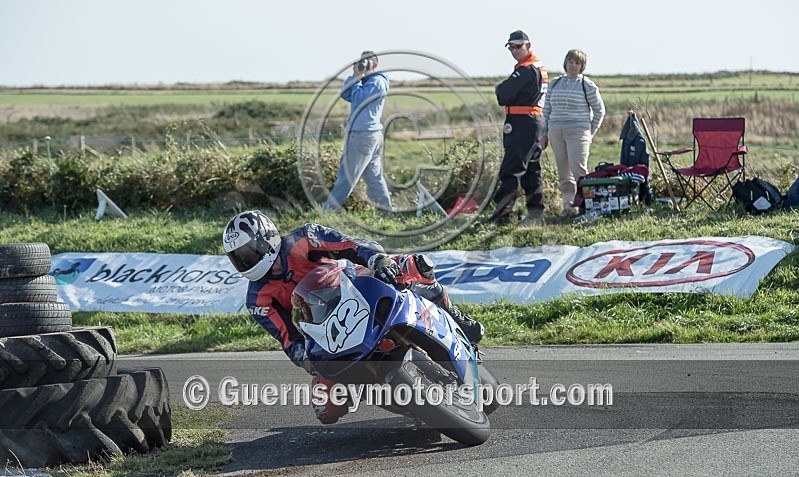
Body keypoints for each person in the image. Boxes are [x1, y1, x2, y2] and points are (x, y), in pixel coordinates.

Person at [222, 210, 484, 423]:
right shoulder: (256, 299)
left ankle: (459, 320)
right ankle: (409, 403)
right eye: (237, 257)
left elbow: (350, 245)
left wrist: (377, 259)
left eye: (247, 252)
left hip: (358, 289)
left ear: (266, 238)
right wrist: (309, 362)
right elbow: (287, 339)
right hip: (328, 332)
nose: (245, 261)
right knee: (326, 409)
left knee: (415, 266)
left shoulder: (303, 239)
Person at [489, 30, 548, 226]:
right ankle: (535, 213)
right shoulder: (536, 67)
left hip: (522, 122)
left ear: (528, 46)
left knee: (511, 170)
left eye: (518, 46)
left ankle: (502, 216)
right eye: (511, 47)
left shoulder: (526, 70)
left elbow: (502, 94)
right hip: (534, 121)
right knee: (532, 170)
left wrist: (502, 88)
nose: (514, 50)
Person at [322, 51, 392, 212]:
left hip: (363, 135)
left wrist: (358, 78)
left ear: (374, 64)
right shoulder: (366, 81)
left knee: (347, 175)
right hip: (368, 134)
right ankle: (386, 210)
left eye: (366, 62)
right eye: (361, 62)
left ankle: (328, 211)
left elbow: (359, 99)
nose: (362, 65)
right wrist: (355, 77)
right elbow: (346, 94)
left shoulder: (376, 82)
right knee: (374, 177)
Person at [541, 49, 606, 216]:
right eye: (570, 61)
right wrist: (544, 133)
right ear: (565, 63)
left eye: (577, 63)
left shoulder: (587, 85)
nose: (573, 65)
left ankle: (587, 205)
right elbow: (546, 109)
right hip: (556, 131)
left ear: (582, 66)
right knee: (563, 172)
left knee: (579, 171)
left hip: (578, 131)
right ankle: (569, 207)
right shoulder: (554, 83)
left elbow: (599, 110)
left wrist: (589, 132)